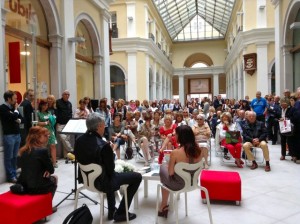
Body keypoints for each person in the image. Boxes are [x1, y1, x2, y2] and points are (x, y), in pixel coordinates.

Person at [74, 113, 142, 222]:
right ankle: (121, 213)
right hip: (102, 183)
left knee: (107, 173)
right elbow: (111, 169)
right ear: (99, 126)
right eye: (103, 125)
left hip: (87, 180)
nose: (104, 128)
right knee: (137, 176)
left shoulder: (78, 140)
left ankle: (112, 211)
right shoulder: (103, 145)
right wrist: (110, 153)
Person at [158, 125, 202, 218]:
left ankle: (163, 205)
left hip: (179, 184)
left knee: (162, 168)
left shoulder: (175, 152)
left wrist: (168, 166)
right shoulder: (198, 149)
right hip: (193, 182)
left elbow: (170, 173)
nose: (175, 136)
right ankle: (163, 205)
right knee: (165, 181)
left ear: (180, 136)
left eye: (176, 134)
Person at [17, 126, 58, 204]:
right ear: (37, 137)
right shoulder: (42, 151)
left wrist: (45, 169)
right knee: (55, 178)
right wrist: (47, 170)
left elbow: (25, 166)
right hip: (36, 187)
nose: (48, 137)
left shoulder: (23, 150)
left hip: (23, 184)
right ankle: (47, 206)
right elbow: (52, 170)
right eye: (45, 136)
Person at [0, 90, 23, 183]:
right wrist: (16, 112)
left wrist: (18, 119)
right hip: (9, 136)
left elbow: (21, 118)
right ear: (8, 99)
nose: (16, 100)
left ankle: (14, 173)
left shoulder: (13, 108)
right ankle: (11, 176)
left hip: (17, 134)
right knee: (8, 157)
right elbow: (13, 116)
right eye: (14, 98)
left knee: (14, 156)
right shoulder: (2, 108)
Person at [37, 100, 58, 168]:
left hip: (50, 130)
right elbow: (37, 123)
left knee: (53, 145)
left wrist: (53, 119)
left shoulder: (49, 112)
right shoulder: (38, 113)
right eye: (44, 105)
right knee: (43, 147)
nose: (46, 106)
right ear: (41, 105)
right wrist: (45, 123)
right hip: (42, 132)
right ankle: (44, 163)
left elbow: (52, 121)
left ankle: (54, 162)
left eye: (47, 105)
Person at [56, 90, 73, 158]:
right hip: (60, 124)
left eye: (68, 94)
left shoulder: (69, 103)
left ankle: (66, 156)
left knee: (67, 139)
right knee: (63, 138)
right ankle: (71, 150)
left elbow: (70, 113)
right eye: (65, 94)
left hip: (68, 124)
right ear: (62, 95)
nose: (67, 96)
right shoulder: (58, 102)